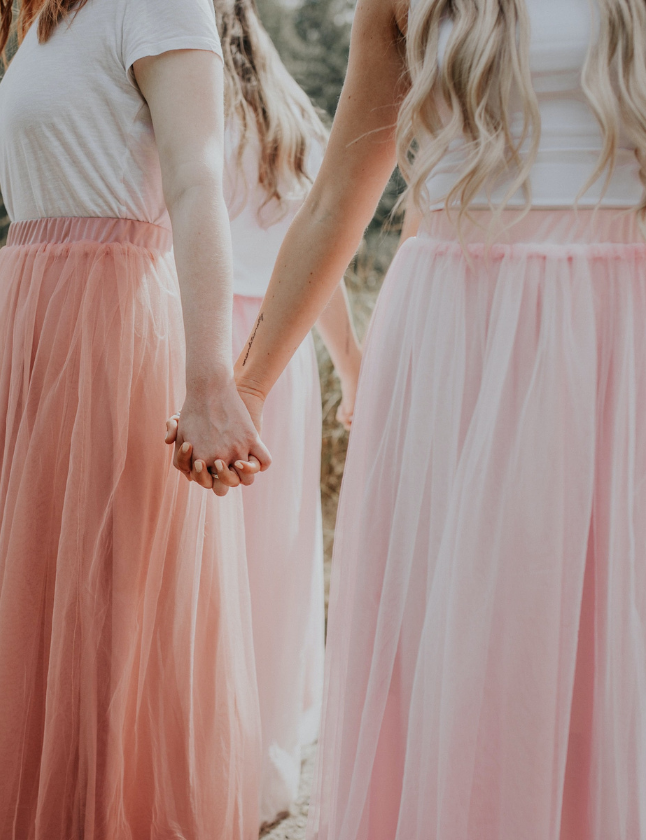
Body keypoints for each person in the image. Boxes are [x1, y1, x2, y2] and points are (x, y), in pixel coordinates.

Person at [175, 0, 646, 837]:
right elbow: (334, 204)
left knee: (613, 661)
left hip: (620, 331)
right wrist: (244, 391)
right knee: (477, 658)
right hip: (460, 341)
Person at [0, 0, 272, 836]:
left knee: (100, 619)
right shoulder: (44, 22)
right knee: (17, 615)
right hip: (25, 325)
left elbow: (198, 181)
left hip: (108, 331)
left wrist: (210, 380)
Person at [217, 0, 362, 825]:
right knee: (278, 560)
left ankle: (202, 748)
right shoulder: (293, 119)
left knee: (204, 565)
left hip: (207, 344)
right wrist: (348, 367)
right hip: (288, 349)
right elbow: (326, 260)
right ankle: (265, 768)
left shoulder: (179, 99)